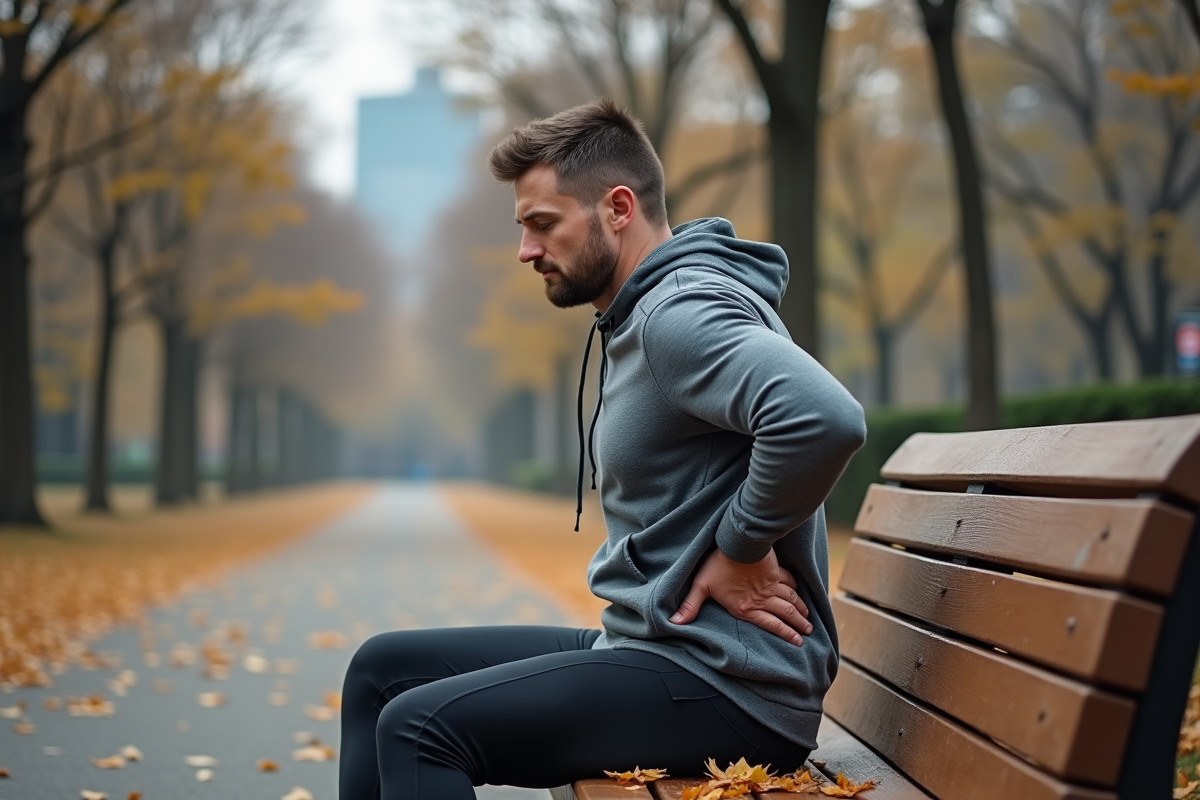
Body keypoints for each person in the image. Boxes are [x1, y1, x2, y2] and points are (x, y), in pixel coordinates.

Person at [339, 99, 866, 800]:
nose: (526, 251)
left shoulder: (676, 314)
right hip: (663, 653)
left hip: (728, 688)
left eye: (543, 225)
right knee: (382, 673)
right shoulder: (647, 310)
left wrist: (740, 545)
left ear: (618, 208)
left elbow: (825, 417)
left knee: (419, 726)